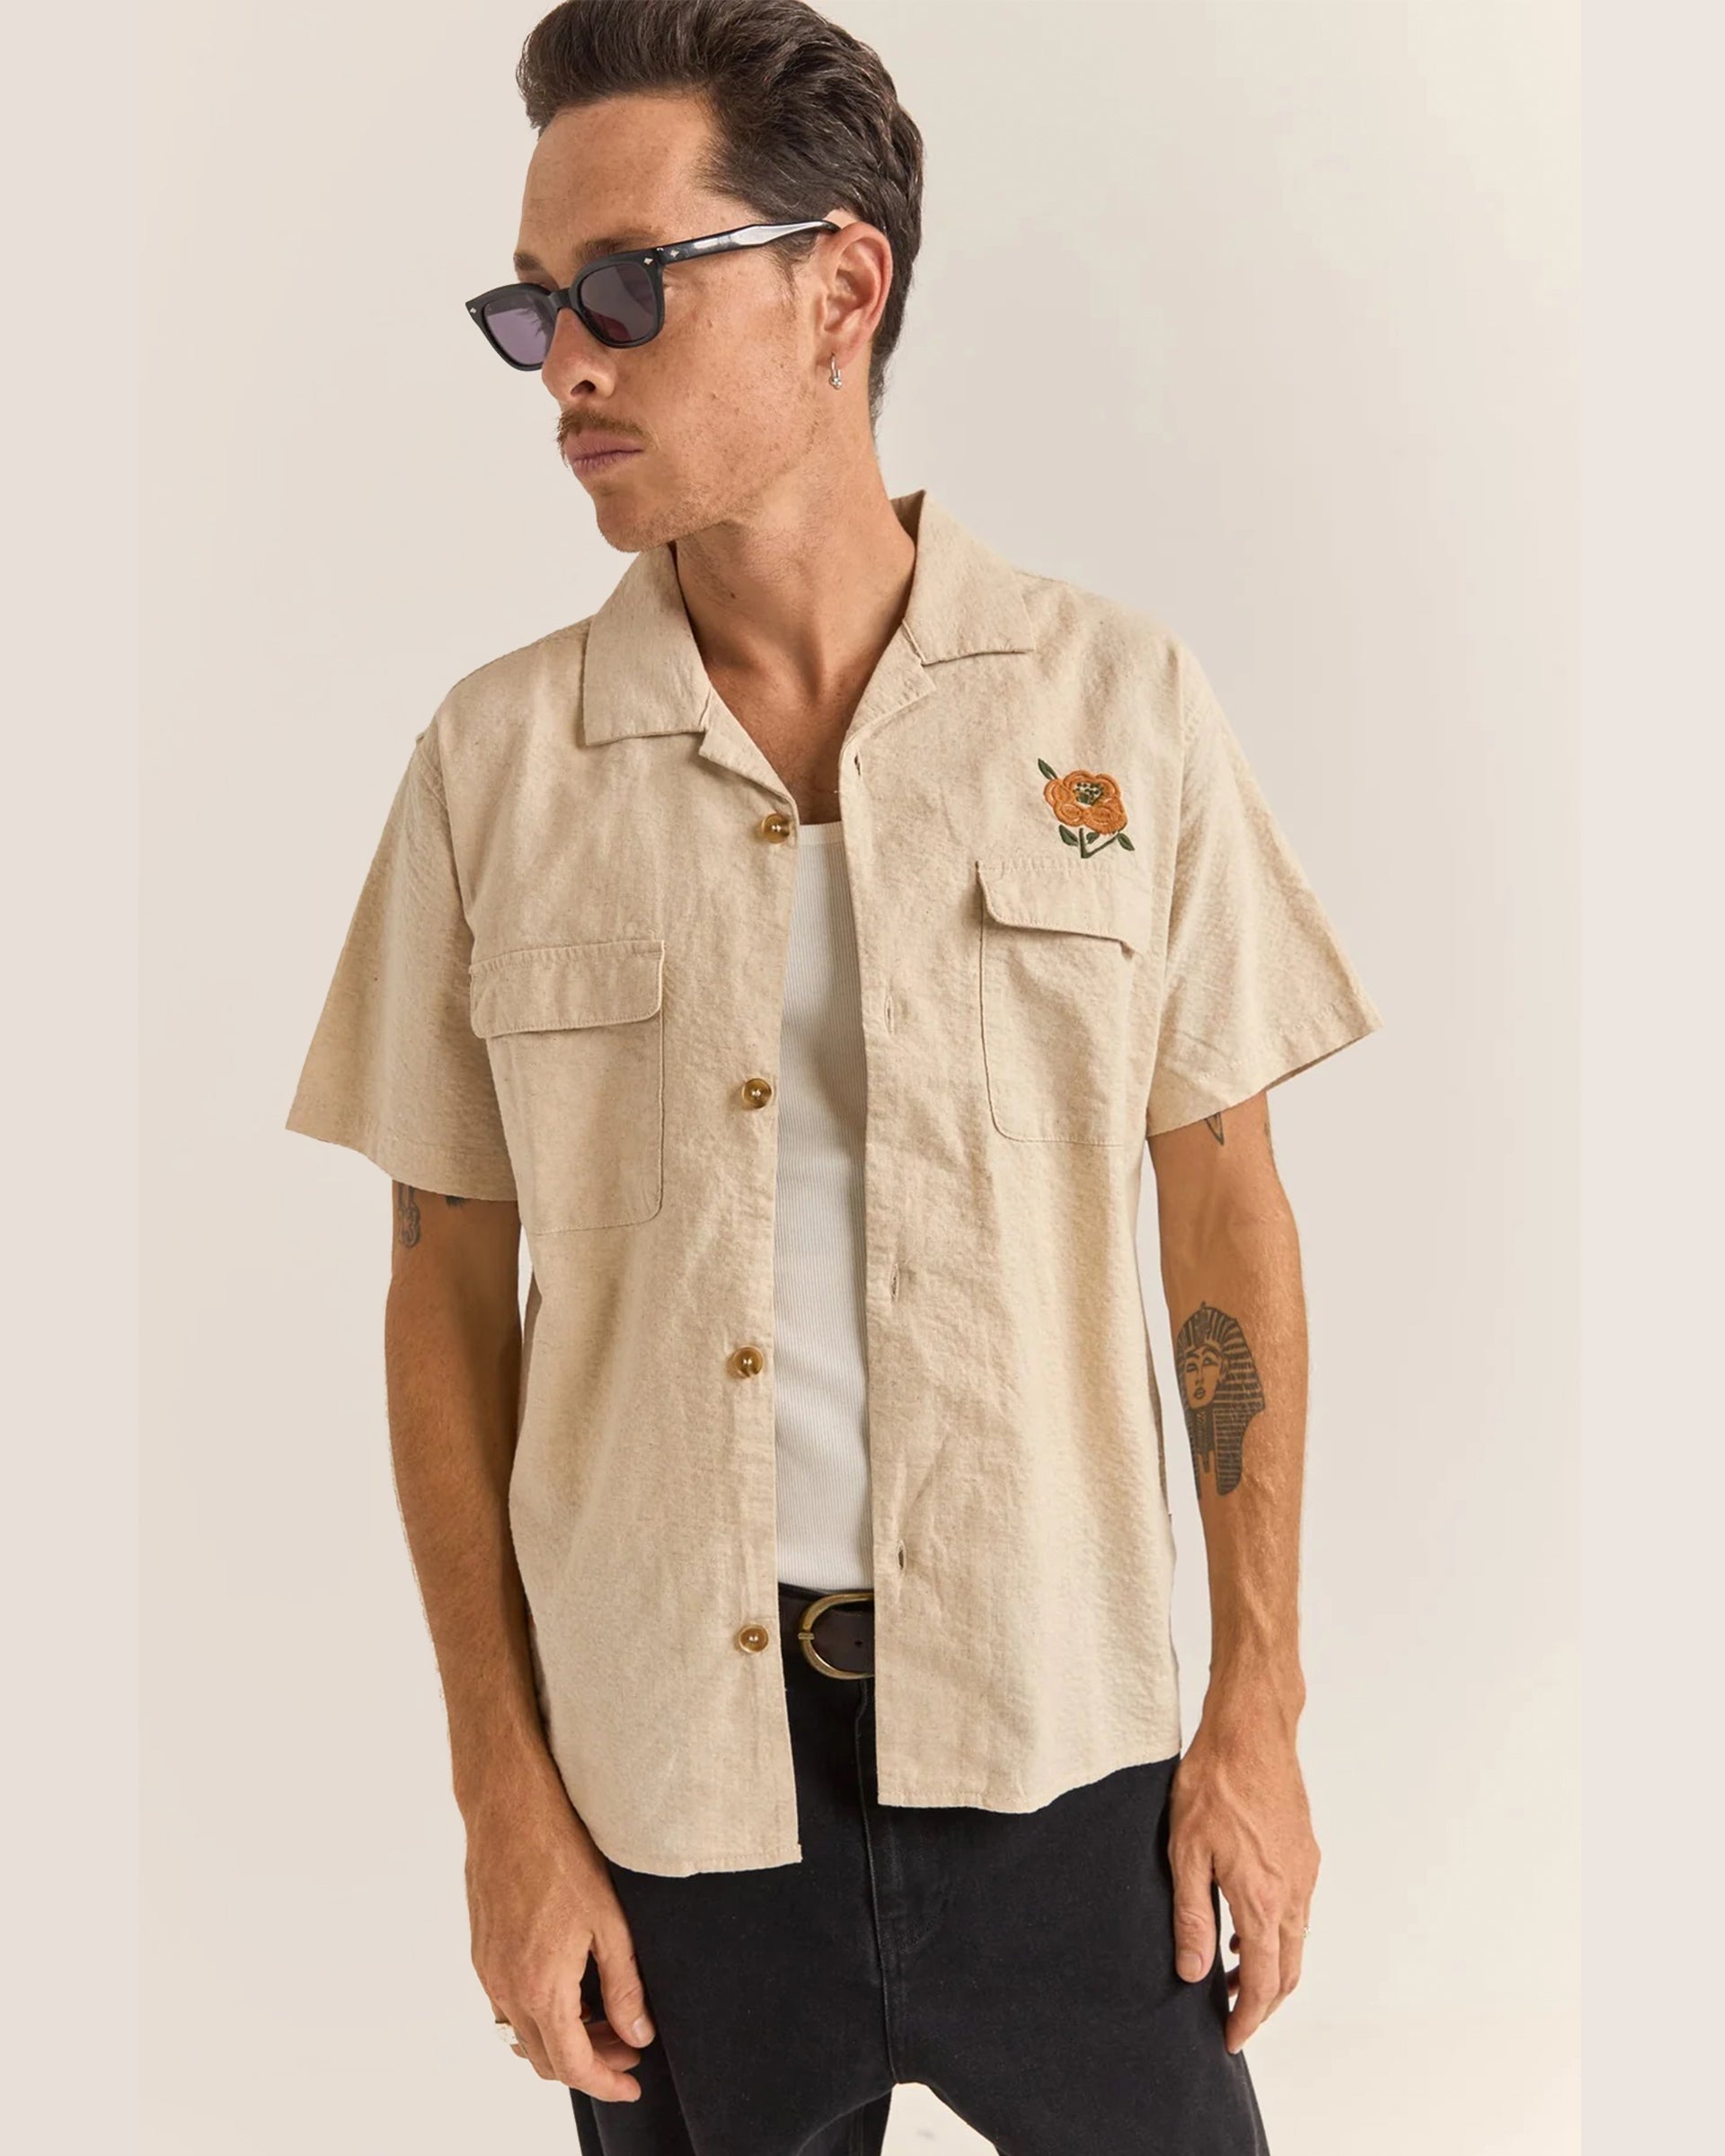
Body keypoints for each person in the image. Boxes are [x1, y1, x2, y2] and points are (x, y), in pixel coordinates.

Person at [284, 3, 1384, 2150]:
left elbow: (1225, 1211)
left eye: (624, 289)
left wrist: (1257, 1708)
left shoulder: (1118, 707)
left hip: (1070, 1766)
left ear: (839, 288)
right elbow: (442, 1293)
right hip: (670, 1807)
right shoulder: (497, 768)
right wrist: (503, 1796)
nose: (567, 363)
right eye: (532, 307)